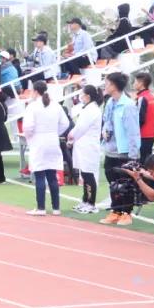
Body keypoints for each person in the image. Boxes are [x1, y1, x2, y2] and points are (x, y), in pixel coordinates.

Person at [99, 72, 141, 225]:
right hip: (110, 149)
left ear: (114, 86)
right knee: (113, 182)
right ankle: (116, 210)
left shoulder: (128, 105)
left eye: (107, 83)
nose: (105, 86)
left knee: (125, 184)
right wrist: (105, 132)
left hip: (124, 151)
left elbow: (133, 131)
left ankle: (127, 213)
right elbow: (107, 122)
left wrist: (133, 155)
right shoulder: (110, 102)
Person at [23, 80, 69, 216]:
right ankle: (56, 208)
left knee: (39, 175)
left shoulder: (32, 107)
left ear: (36, 91)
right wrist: (55, 132)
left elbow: (28, 127)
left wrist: (30, 137)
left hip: (38, 141)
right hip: (52, 141)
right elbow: (65, 123)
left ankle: (41, 208)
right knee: (52, 175)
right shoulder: (56, 105)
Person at [69, 85, 103, 213]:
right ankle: (85, 200)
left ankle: (91, 202)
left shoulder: (92, 110)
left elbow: (81, 127)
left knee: (88, 174)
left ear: (87, 96)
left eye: (82, 94)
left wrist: (71, 135)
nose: (80, 96)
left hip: (89, 146)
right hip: (83, 144)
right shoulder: (87, 108)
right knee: (84, 173)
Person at [133, 72, 154, 163]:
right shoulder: (150, 96)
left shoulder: (142, 98)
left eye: (135, 82)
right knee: (147, 162)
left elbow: (140, 119)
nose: (133, 84)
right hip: (150, 135)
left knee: (141, 163)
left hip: (142, 135)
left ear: (141, 83)